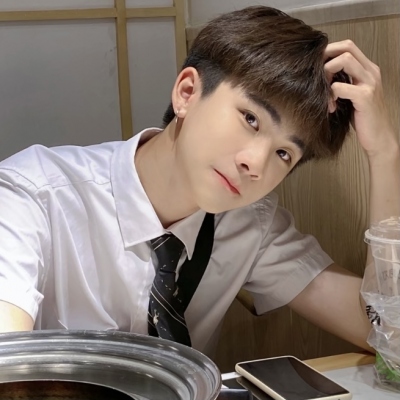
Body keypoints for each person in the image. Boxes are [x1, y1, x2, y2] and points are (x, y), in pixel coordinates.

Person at [0, 6, 399, 357]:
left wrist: (384, 152)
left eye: (283, 154)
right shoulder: (34, 195)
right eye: (250, 119)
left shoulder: (249, 223)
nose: (254, 164)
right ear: (187, 92)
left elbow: (387, 335)